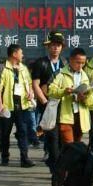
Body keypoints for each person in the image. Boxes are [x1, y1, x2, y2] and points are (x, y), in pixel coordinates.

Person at [0, 44, 36, 167]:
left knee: (23, 132)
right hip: (8, 106)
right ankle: (5, 156)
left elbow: (28, 83)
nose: (22, 55)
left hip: (22, 106)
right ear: (14, 54)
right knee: (5, 133)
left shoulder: (24, 68)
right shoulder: (2, 68)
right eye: (21, 53)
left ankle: (24, 158)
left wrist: (31, 92)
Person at [32, 32, 67, 170]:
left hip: (62, 104)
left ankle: (54, 160)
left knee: (60, 137)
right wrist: (45, 102)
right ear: (48, 47)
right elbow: (35, 84)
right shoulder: (41, 63)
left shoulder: (64, 63)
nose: (56, 48)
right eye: (53, 45)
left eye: (58, 45)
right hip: (47, 104)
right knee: (52, 135)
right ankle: (55, 166)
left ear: (62, 47)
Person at [47, 48, 93, 145]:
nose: (80, 66)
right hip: (65, 115)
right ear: (70, 60)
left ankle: (68, 160)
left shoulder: (85, 75)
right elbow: (50, 90)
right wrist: (64, 91)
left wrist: (85, 98)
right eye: (78, 62)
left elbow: (91, 100)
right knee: (69, 144)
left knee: (77, 144)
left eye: (83, 63)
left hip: (80, 116)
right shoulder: (60, 73)